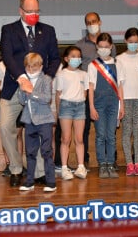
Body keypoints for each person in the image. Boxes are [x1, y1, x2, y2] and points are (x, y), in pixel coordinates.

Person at [0, 0, 61, 187]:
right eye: (30, 11)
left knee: (40, 130)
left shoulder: (48, 31)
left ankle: (40, 172)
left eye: (36, 11)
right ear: (21, 11)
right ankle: (16, 169)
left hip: (40, 91)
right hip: (13, 87)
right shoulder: (8, 30)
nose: (34, 14)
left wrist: (47, 78)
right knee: (6, 127)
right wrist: (23, 79)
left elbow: (56, 58)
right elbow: (7, 56)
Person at [75, 12, 116, 170]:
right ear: (86, 25)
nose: (92, 24)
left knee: (109, 132)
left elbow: (113, 68)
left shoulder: (108, 43)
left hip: (107, 92)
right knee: (85, 128)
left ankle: (111, 161)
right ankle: (84, 161)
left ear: (100, 22)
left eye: (94, 21)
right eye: (89, 22)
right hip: (87, 92)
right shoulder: (79, 45)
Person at [88, 33, 124, 179]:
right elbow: (90, 87)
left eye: (106, 47)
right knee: (100, 135)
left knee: (111, 135)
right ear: (97, 47)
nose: (104, 49)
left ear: (111, 47)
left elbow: (120, 86)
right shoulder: (93, 65)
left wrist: (122, 106)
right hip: (99, 103)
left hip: (114, 103)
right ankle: (102, 164)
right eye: (101, 47)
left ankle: (111, 163)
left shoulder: (117, 64)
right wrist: (91, 107)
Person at [18, 53, 56, 192]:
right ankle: (29, 181)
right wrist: (23, 90)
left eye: (33, 66)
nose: (30, 69)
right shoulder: (24, 79)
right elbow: (22, 101)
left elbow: (46, 99)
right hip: (29, 120)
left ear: (40, 66)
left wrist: (31, 92)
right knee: (30, 152)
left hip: (44, 120)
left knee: (46, 151)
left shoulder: (46, 79)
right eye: (28, 66)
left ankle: (51, 182)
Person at [116, 27, 138, 176]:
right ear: (125, 41)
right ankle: (129, 164)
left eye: (136, 42)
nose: (134, 44)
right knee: (126, 131)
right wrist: (121, 104)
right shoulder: (120, 59)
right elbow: (119, 84)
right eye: (131, 42)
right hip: (126, 100)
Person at [56, 46, 89, 180]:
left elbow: (85, 92)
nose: (76, 58)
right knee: (66, 138)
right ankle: (64, 168)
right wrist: (58, 112)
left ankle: (81, 166)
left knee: (80, 138)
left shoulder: (84, 74)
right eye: (73, 56)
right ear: (66, 58)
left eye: (78, 56)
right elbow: (58, 94)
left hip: (80, 106)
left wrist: (81, 100)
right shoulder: (61, 74)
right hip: (66, 106)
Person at [0, 60, 23, 177]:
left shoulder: (25, 61)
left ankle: (19, 163)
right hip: (7, 99)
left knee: (18, 134)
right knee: (6, 132)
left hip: (23, 97)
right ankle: (9, 163)